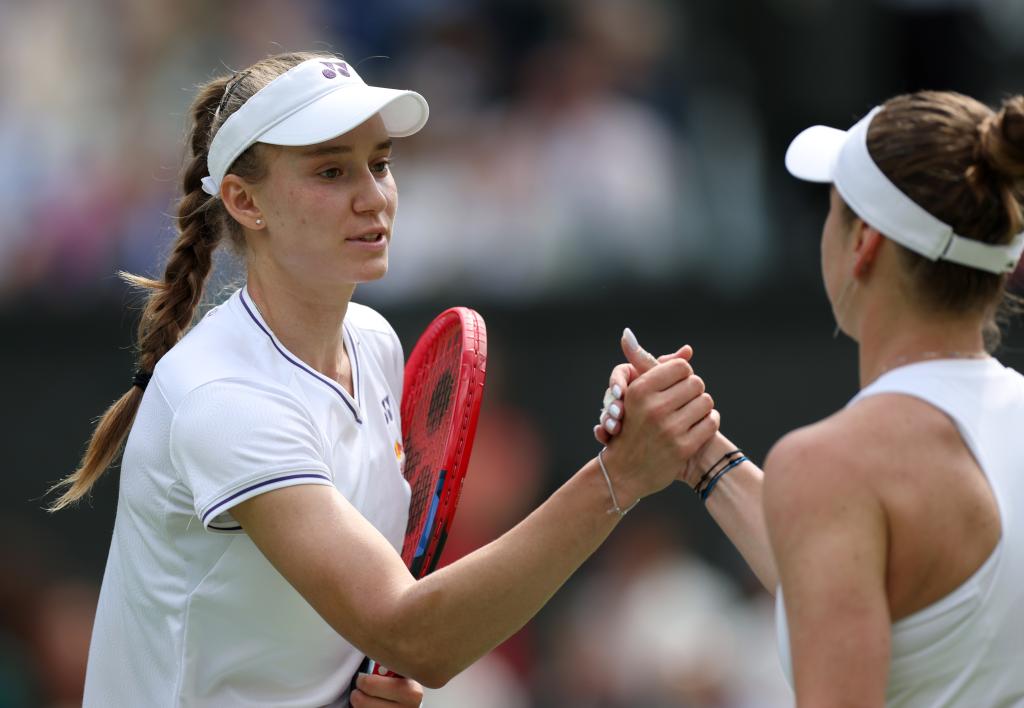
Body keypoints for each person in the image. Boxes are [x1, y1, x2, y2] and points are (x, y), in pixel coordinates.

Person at [48, 51, 719, 707]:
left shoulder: (373, 344)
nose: (373, 197)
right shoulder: (224, 398)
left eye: (380, 164)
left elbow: (360, 634)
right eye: (332, 171)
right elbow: (413, 634)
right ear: (245, 201)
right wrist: (618, 477)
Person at [599, 90, 1024, 706]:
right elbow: (874, 593)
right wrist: (702, 456)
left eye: (832, 209)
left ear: (863, 243)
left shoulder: (831, 466)